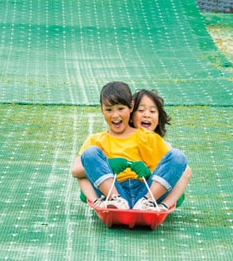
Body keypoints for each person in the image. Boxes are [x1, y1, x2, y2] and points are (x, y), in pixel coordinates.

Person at [71, 81, 188, 211]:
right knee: (90, 153)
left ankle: (147, 202)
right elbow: (75, 170)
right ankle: (115, 201)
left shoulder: (147, 137)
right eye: (109, 110)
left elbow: (174, 168)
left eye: (121, 109)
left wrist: (148, 174)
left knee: (178, 156)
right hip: (113, 190)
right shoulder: (96, 140)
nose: (115, 115)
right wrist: (107, 165)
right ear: (102, 110)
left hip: (145, 191)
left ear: (131, 107)